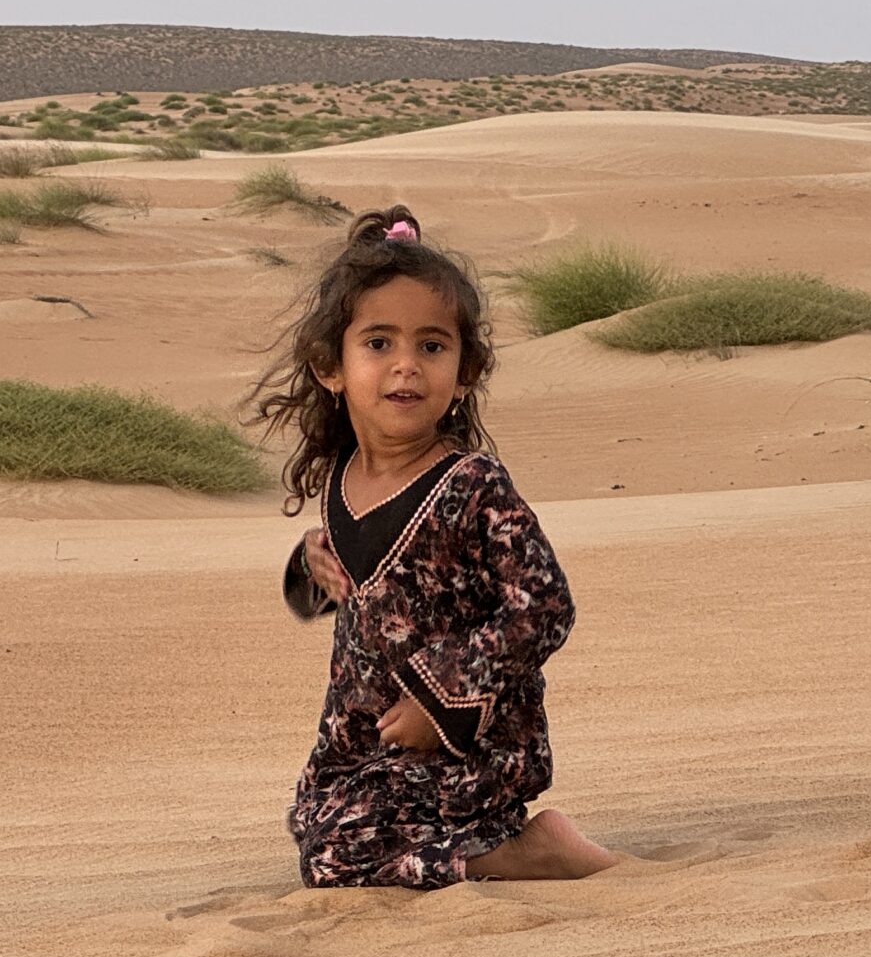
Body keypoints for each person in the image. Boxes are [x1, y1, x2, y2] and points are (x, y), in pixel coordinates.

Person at [248, 205, 619, 889]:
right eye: (379, 344)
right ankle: (478, 840)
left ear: (466, 369)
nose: (406, 367)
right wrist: (308, 562)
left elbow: (544, 606)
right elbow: (337, 601)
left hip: (464, 739)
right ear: (331, 367)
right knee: (313, 821)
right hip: (364, 743)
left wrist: (444, 698)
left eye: (432, 346)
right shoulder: (342, 479)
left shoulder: (472, 483)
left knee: (336, 856)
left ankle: (525, 853)